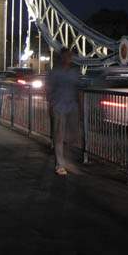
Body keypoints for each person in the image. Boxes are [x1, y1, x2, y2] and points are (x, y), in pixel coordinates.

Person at [47, 48, 80, 176]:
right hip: (58, 107)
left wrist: (80, 107)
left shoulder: (74, 72)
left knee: (73, 136)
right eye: (66, 56)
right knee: (59, 136)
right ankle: (60, 165)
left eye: (70, 56)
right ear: (61, 57)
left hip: (72, 106)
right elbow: (48, 89)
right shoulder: (54, 73)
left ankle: (67, 161)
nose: (68, 58)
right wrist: (50, 105)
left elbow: (78, 89)